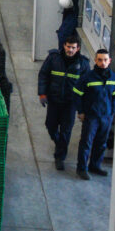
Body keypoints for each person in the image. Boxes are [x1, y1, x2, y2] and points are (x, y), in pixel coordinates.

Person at [38, 34, 89, 170]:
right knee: (50, 125)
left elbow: (85, 86)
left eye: (73, 47)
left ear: (77, 48)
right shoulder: (53, 59)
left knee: (66, 130)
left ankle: (60, 157)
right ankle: (60, 143)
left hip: (70, 104)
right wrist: (42, 93)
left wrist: (82, 108)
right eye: (68, 46)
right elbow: (43, 74)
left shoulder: (83, 64)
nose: (70, 50)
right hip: (54, 100)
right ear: (64, 46)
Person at [73, 49, 115, 180]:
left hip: (106, 116)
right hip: (91, 116)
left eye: (105, 60)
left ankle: (95, 166)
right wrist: (80, 111)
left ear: (109, 61)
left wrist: (112, 113)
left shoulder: (113, 78)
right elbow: (77, 94)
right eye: (100, 60)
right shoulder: (87, 77)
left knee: (101, 143)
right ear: (95, 60)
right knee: (86, 142)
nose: (103, 63)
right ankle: (81, 168)